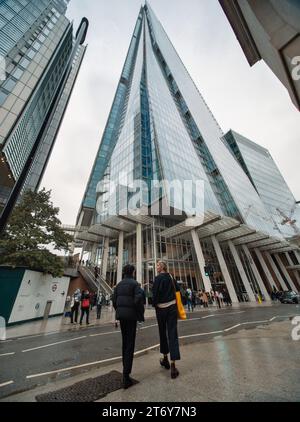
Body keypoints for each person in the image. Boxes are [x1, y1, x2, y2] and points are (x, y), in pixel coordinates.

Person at [112, 264, 144, 389]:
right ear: (133, 272)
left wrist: (119, 310)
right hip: (131, 318)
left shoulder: (119, 285)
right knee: (130, 344)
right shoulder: (135, 284)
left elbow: (114, 300)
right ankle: (126, 375)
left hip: (122, 316)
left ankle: (125, 370)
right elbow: (138, 300)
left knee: (125, 343)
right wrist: (137, 312)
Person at [152, 261, 180, 380]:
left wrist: (155, 304)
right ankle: (173, 365)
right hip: (172, 308)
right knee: (172, 334)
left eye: (158, 265)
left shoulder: (158, 279)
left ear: (162, 267)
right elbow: (177, 290)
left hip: (161, 309)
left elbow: (154, 294)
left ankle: (165, 359)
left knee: (162, 333)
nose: (156, 267)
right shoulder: (171, 277)